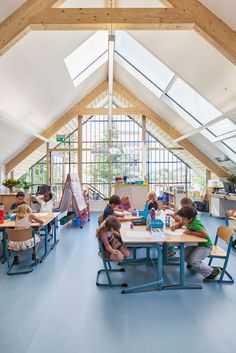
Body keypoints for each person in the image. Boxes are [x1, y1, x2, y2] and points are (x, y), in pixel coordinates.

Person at [171, 206, 221, 280]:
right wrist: (175, 226)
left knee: (194, 260)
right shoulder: (187, 221)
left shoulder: (196, 224)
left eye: (183, 218)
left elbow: (205, 234)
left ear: (190, 219)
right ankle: (194, 265)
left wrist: (191, 232)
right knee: (183, 255)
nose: (182, 219)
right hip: (195, 244)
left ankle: (212, 271)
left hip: (205, 246)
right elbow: (180, 223)